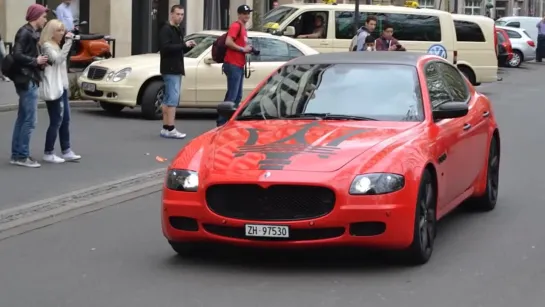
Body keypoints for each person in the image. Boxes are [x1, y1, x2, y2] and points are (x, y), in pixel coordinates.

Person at [10, 4, 49, 168]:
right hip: (27, 79)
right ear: (36, 16)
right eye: (44, 16)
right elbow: (17, 54)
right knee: (29, 120)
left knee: (23, 118)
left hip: (28, 77)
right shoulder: (24, 32)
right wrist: (35, 61)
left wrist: (38, 62)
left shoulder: (31, 32)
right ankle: (22, 155)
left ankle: (17, 154)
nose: (45, 19)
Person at [39, 19, 81, 163]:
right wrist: (68, 43)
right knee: (56, 120)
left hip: (61, 86)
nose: (62, 33)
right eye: (59, 30)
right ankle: (48, 152)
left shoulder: (57, 45)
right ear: (51, 32)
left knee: (65, 120)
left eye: (63, 30)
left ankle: (66, 150)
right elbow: (58, 60)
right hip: (53, 87)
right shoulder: (47, 46)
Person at [158, 5, 196, 139]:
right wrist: (183, 45)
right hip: (170, 68)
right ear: (171, 14)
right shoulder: (166, 29)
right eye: (178, 14)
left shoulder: (178, 29)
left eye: (182, 14)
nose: (180, 17)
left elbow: (178, 49)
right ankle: (171, 128)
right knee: (172, 100)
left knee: (168, 99)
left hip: (176, 67)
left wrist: (187, 46)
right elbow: (165, 48)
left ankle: (165, 128)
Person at [216, 4, 253, 127]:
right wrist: (243, 49)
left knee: (237, 96)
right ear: (239, 14)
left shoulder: (243, 28)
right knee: (232, 95)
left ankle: (229, 121)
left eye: (248, 13)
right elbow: (228, 42)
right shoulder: (236, 26)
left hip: (239, 64)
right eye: (244, 13)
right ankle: (222, 122)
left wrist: (249, 49)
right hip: (233, 64)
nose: (247, 15)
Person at [56, 0, 74, 70]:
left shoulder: (69, 8)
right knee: (64, 51)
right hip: (64, 33)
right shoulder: (60, 8)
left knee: (69, 51)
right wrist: (65, 31)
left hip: (71, 32)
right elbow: (60, 21)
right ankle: (63, 69)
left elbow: (69, 20)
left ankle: (67, 68)